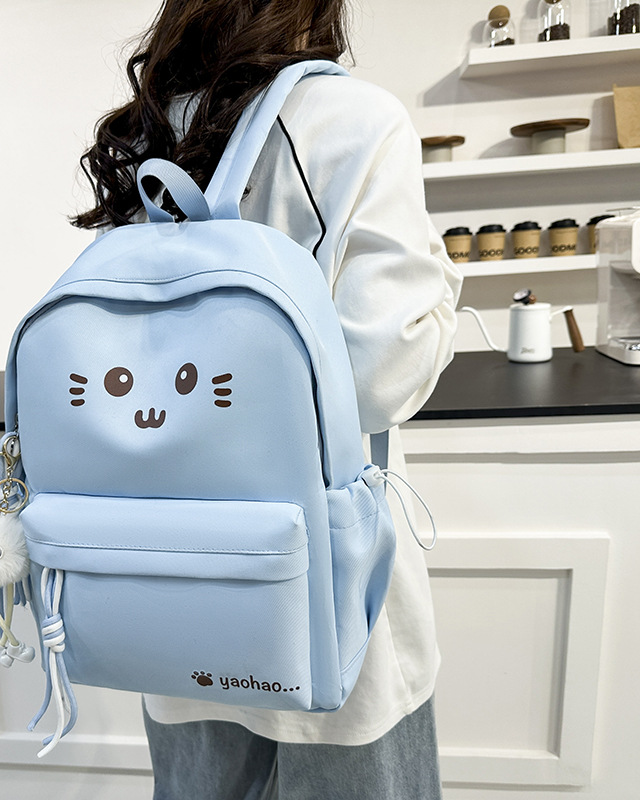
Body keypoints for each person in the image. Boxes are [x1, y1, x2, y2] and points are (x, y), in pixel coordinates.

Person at [73, 1, 463, 797]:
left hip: (172, 591)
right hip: (326, 599)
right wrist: (444, 291)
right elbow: (379, 375)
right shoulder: (354, 119)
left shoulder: (150, 133)